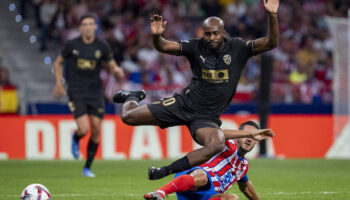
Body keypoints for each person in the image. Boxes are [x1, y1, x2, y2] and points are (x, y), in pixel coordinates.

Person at [113, 0, 279, 180]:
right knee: (128, 117)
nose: (211, 37)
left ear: (223, 33)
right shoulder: (195, 46)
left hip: (206, 118)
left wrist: (272, 15)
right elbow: (164, 46)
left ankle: (165, 171)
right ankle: (131, 96)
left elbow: (271, 42)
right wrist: (157, 37)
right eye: (207, 34)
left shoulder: (238, 48)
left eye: (215, 33)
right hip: (183, 104)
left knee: (216, 143)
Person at [52, 14, 124, 177]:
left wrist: (117, 72)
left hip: (95, 91)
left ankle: (87, 168)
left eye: (91, 24)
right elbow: (58, 62)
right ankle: (76, 137)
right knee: (84, 129)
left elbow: (112, 66)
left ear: (95, 27)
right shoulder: (72, 45)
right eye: (84, 24)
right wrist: (58, 83)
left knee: (97, 128)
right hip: (76, 90)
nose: (87, 26)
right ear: (80, 28)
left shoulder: (102, 46)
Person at [144, 120, 274, 200]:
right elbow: (218, 133)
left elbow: (246, 187)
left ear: (256, 142)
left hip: (207, 196)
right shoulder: (226, 142)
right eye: (246, 134)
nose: (249, 139)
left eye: (253, 137)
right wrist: (249, 133)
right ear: (239, 135)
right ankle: (160, 193)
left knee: (232, 198)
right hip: (192, 181)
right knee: (202, 176)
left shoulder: (243, 166)